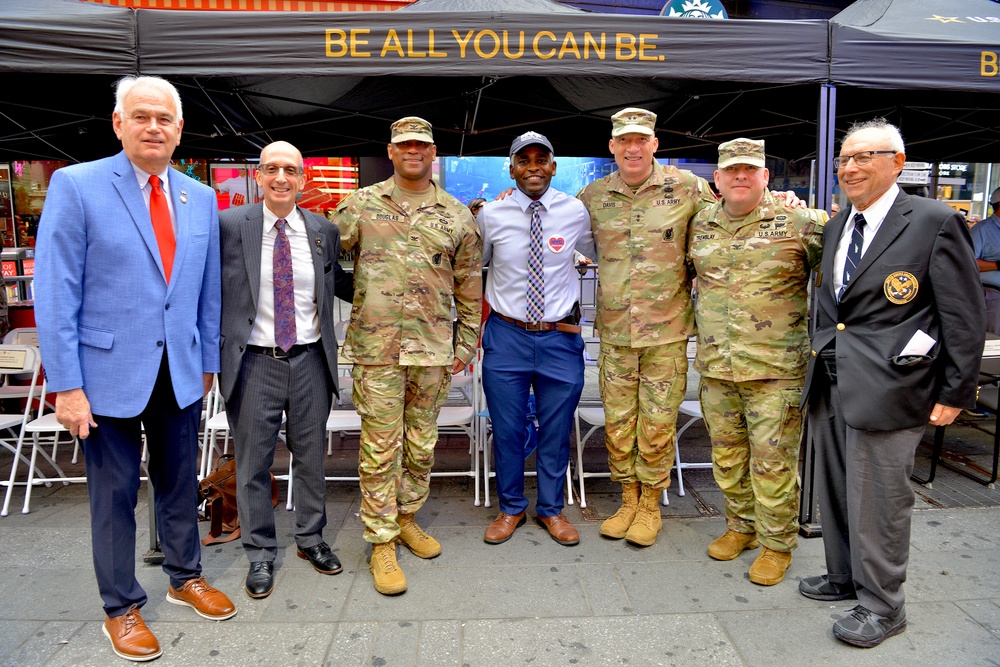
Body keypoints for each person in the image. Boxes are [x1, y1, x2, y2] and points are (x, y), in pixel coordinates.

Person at [34, 75, 235, 662]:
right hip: (104, 378)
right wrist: (66, 386)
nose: (154, 127)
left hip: (178, 373)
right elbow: (55, 292)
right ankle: (120, 606)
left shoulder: (199, 196)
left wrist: (205, 363)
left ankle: (183, 576)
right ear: (118, 123)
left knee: (178, 485)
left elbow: (205, 293)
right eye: (141, 116)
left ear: (179, 129)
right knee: (115, 494)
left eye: (164, 118)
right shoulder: (77, 185)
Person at [801, 118, 985, 648]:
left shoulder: (933, 220)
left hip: (893, 387)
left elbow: (963, 315)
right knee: (835, 490)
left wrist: (955, 392)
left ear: (897, 163)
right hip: (833, 378)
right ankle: (843, 577)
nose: (849, 168)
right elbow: (837, 307)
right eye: (844, 159)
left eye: (863, 157)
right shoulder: (839, 224)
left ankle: (884, 606)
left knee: (880, 500)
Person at [335, 116, 482, 595]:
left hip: (433, 350)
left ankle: (407, 519)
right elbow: (323, 258)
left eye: (421, 145)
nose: (413, 151)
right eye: (404, 146)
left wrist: (466, 342)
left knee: (421, 444)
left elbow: (469, 285)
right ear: (391, 151)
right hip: (377, 351)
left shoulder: (457, 215)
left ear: (433, 152)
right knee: (380, 449)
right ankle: (381, 541)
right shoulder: (361, 204)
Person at [218, 140, 354, 599]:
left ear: (303, 179)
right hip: (254, 361)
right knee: (253, 462)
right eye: (272, 169)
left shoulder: (322, 230)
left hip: (311, 358)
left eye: (290, 170)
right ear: (258, 175)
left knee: (311, 456)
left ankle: (311, 539)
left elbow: (341, 284)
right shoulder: (230, 225)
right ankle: (259, 552)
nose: (281, 178)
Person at [688, 138, 826, 586]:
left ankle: (776, 544)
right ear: (718, 179)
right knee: (727, 456)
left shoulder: (802, 222)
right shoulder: (700, 223)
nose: (740, 177)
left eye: (750, 170)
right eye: (732, 171)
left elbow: (847, 271)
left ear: (766, 177)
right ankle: (741, 527)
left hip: (775, 372)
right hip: (716, 367)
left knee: (773, 461)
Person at [576, 108, 716, 547]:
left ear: (655, 143)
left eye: (641, 140)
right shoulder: (592, 195)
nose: (633, 148)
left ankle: (650, 504)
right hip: (617, 332)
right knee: (619, 421)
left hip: (668, 332)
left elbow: (726, 226)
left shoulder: (690, 189)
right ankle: (627, 498)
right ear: (612, 147)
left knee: (656, 421)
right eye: (624, 141)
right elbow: (561, 235)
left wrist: (779, 201)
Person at [478, 131, 595, 547]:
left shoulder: (575, 211)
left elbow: (599, 249)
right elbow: (477, 268)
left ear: (553, 166)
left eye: (540, 159)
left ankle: (551, 509)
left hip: (559, 339)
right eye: (523, 160)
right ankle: (510, 507)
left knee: (556, 428)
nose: (532, 167)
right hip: (506, 335)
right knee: (507, 429)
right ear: (511, 168)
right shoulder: (491, 216)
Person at [970, 187, 1000, 334]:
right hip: (993, 296)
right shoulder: (981, 230)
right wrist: (997, 264)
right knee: (994, 340)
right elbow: (967, 262)